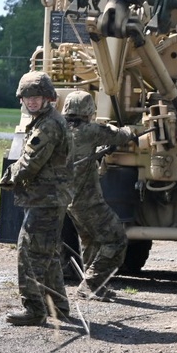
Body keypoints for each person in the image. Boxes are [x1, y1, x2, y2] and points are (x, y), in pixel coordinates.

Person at [0, 71, 74, 326]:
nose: (31, 102)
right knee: (48, 253)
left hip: (47, 199)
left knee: (29, 252)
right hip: (48, 198)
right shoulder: (44, 120)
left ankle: (34, 309)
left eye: (36, 97)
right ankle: (58, 307)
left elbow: (31, 161)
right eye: (26, 97)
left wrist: (10, 176)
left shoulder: (49, 125)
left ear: (48, 98)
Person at [63, 90, 138, 301]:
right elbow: (121, 135)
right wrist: (129, 130)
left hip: (70, 201)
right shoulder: (90, 130)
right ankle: (90, 284)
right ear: (89, 111)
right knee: (117, 240)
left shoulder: (60, 130)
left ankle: (96, 287)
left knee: (90, 240)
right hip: (89, 201)